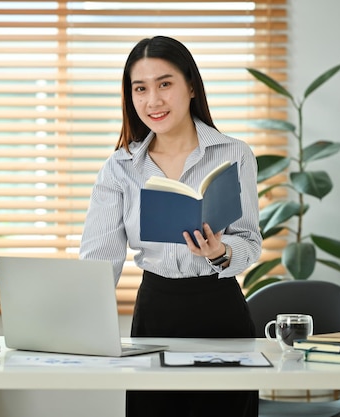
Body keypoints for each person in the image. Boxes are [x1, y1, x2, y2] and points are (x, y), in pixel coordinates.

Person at [79, 36, 262, 417]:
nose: (153, 101)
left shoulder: (234, 153)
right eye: (140, 89)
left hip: (220, 311)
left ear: (191, 86)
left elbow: (250, 243)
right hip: (154, 313)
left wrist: (221, 252)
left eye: (165, 84)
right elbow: (98, 261)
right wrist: (74, 326)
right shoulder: (121, 167)